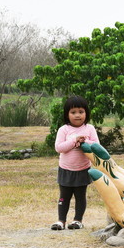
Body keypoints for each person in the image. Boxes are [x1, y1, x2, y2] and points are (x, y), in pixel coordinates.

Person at [51, 96, 99, 231]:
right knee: (64, 196)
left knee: (80, 196)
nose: (77, 115)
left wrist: (84, 142)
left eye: (81, 111)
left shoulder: (89, 129)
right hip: (66, 169)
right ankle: (61, 221)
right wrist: (73, 141)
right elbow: (59, 148)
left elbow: (96, 146)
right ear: (67, 114)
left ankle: (78, 220)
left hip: (83, 169)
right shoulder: (64, 130)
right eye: (73, 112)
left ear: (86, 113)